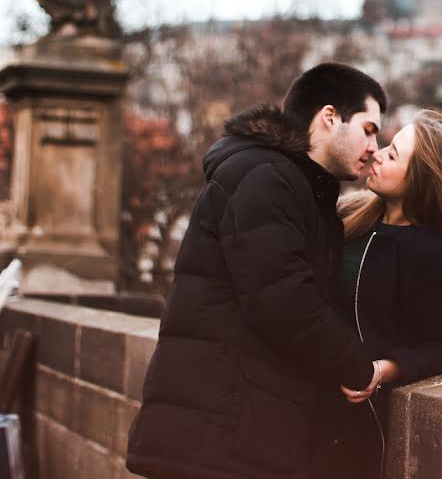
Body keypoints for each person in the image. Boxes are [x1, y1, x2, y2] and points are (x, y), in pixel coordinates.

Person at [126, 63, 388, 479]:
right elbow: (285, 301)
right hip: (219, 434)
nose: (375, 146)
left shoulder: (296, 187)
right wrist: (359, 366)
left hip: (232, 428)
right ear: (330, 117)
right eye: (369, 129)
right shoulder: (266, 177)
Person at [309, 110, 442, 479]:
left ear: (422, 182)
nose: (377, 154)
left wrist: (380, 370)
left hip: (357, 424)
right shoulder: (347, 217)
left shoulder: (431, 252)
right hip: (303, 400)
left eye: (393, 154)